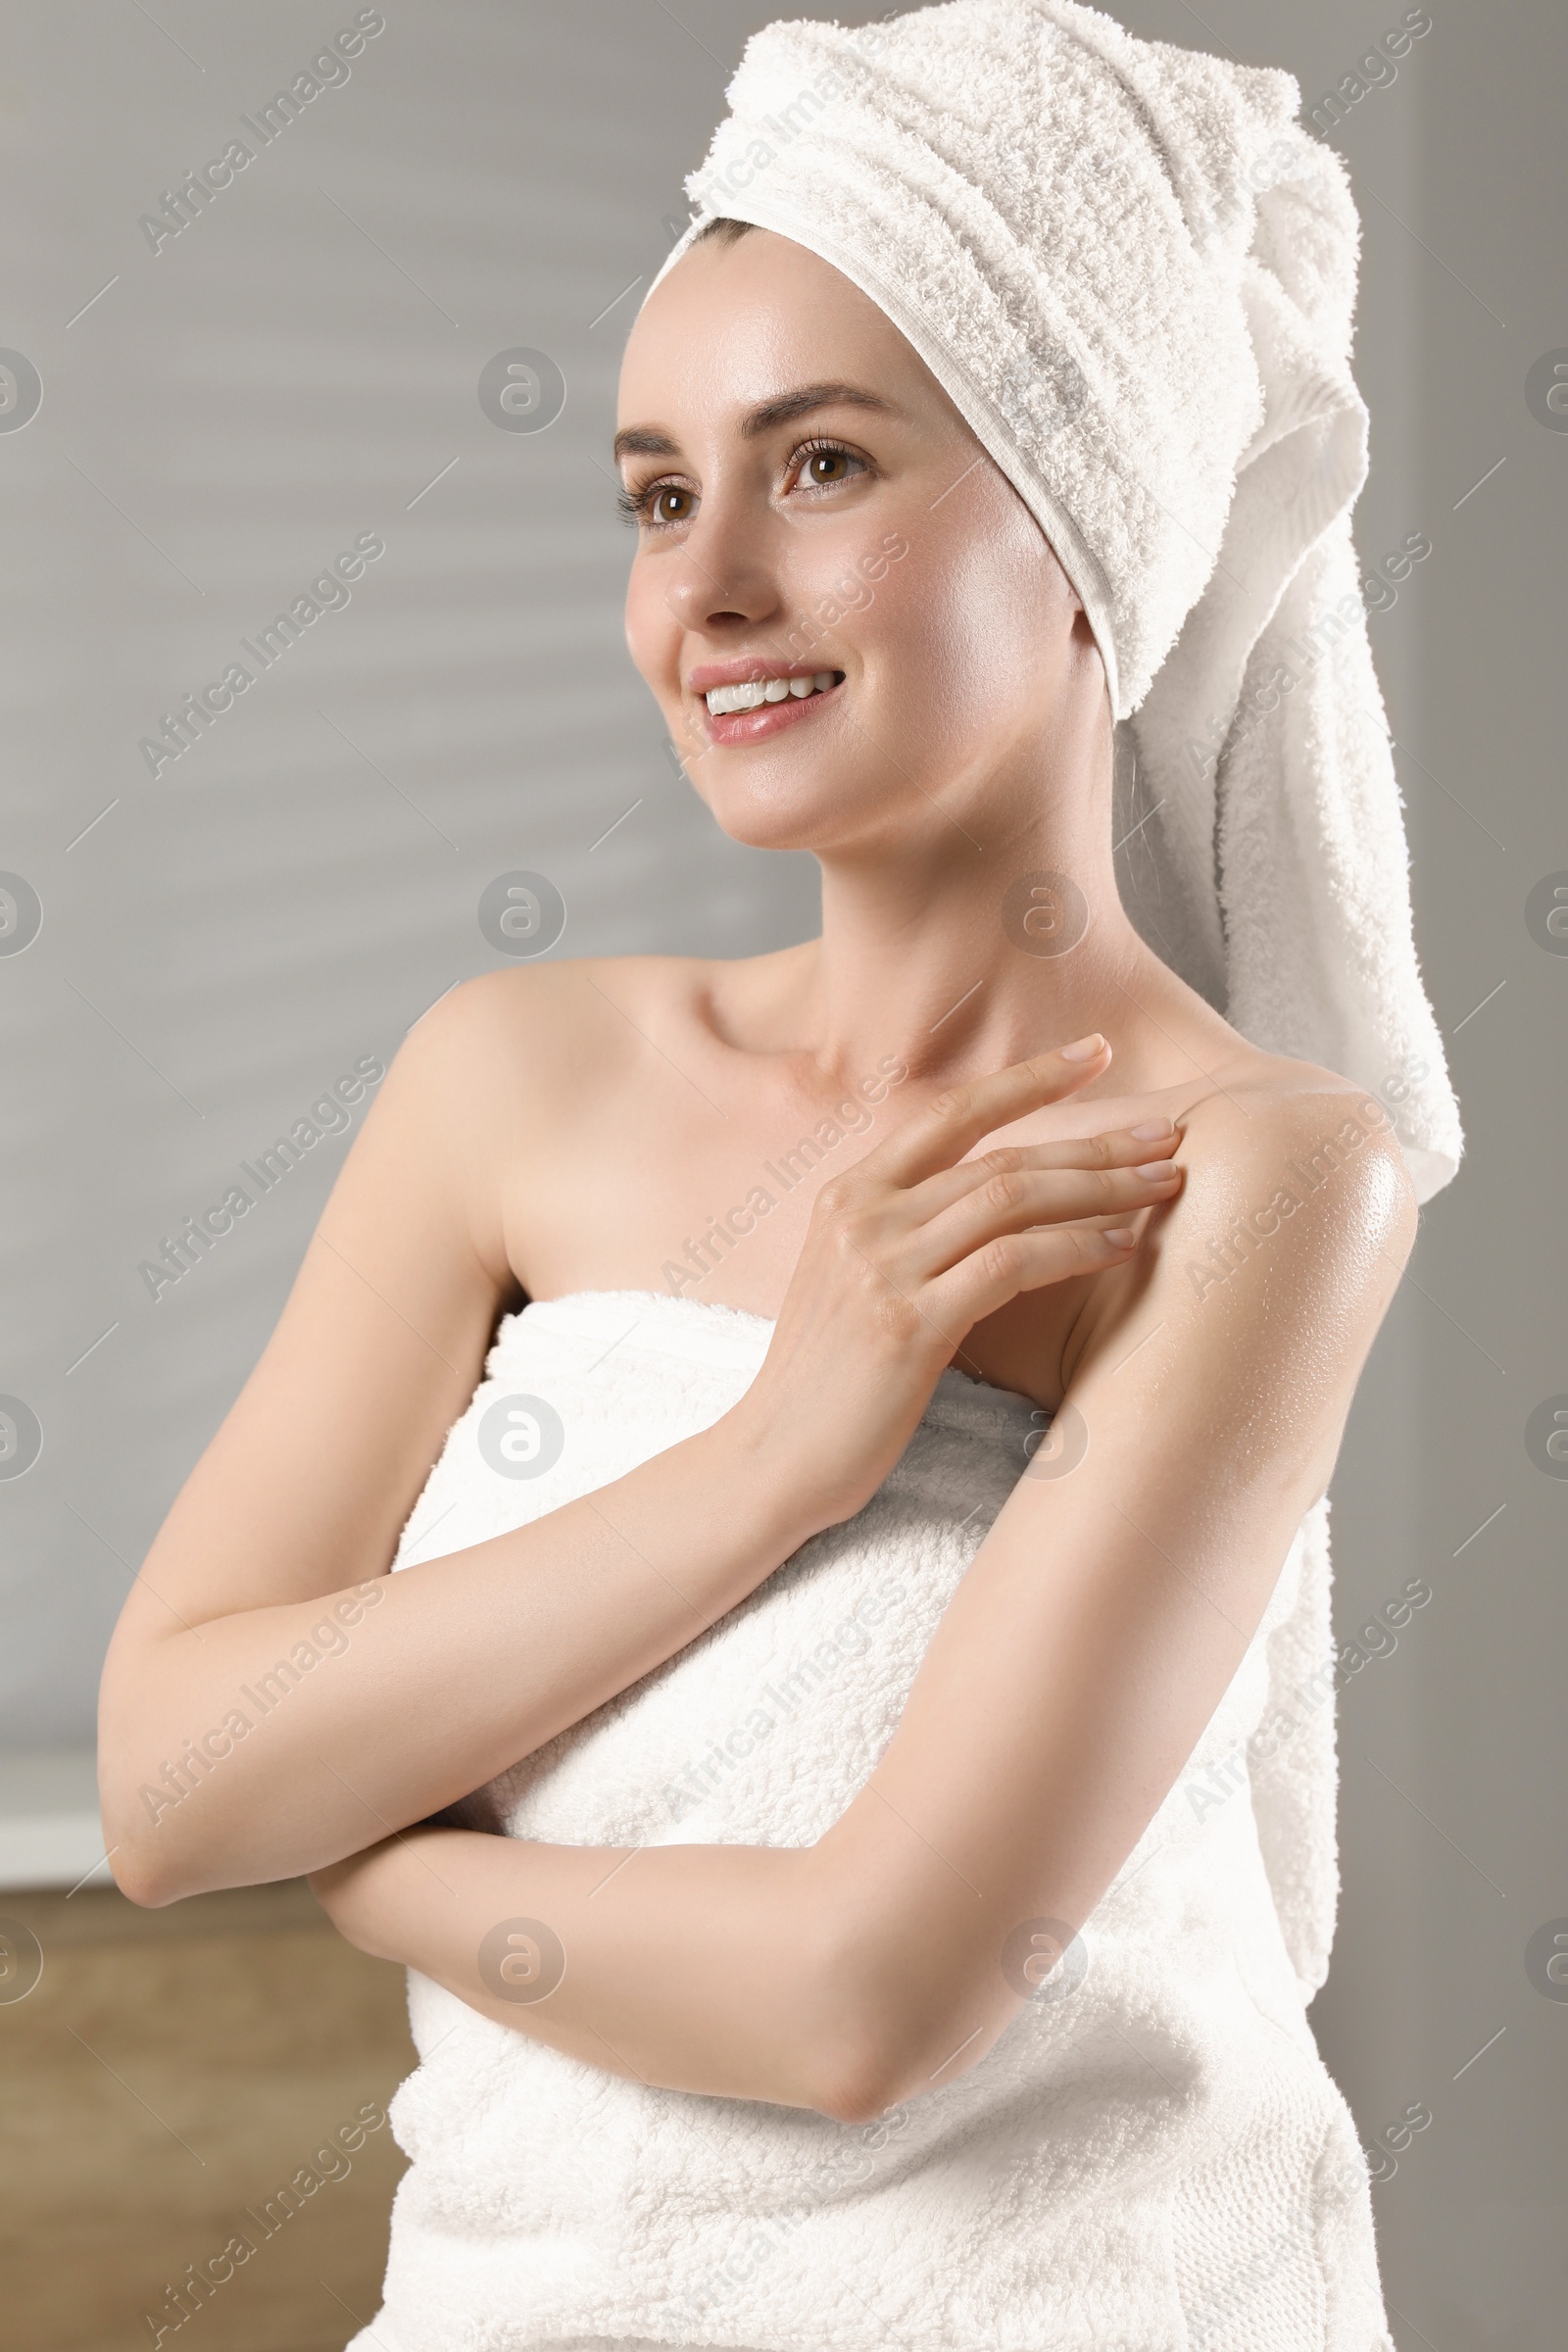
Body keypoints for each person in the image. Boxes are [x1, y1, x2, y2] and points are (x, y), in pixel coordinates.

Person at [99, 5, 1461, 2346]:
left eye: (818, 466)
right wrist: (779, 1454)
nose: (707, 582)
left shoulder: (1249, 1176)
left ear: (1082, 521)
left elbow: (864, 1996)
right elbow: (172, 1779)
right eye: (653, 493)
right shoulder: (511, 1077)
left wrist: (389, 1864)